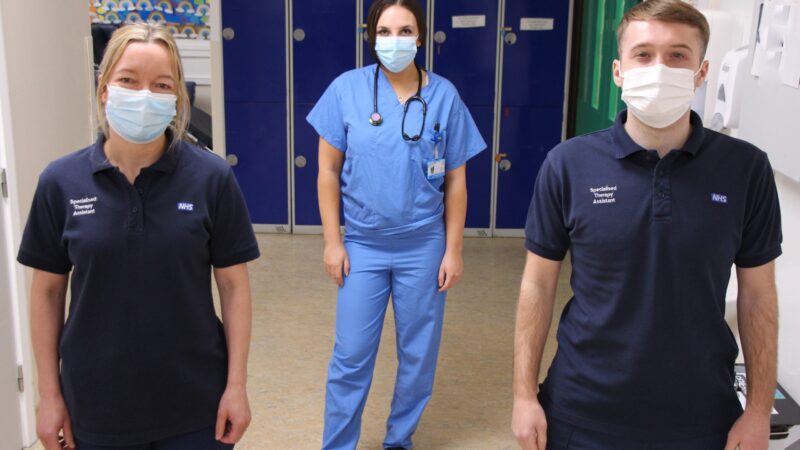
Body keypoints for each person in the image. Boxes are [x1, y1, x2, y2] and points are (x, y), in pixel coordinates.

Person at [512, 1, 782, 449]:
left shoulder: (746, 170)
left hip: (702, 417)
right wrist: (523, 395)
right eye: (644, 54)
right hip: (582, 411)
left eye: (678, 55)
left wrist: (756, 411)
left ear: (701, 72)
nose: (660, 67)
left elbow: (757, 297)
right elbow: (537, 286)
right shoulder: (568, 165)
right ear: (619, 71)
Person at [18, 23, 259, 450]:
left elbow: (233, 286)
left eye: (161, 84)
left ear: (177, 97)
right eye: (128, 80)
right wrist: (48, 395)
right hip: (94, 407)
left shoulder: (212, 178)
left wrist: (236, 386)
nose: (144, 95)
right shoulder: (60, 182)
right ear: (104, 87)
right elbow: (48, 294)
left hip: (194, 404)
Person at [307, 0, 486, 448]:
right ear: (371, 37)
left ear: (420, 38)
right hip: (363, 244)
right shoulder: (346, 89)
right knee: (350, 356)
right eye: (384, 32)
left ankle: (399, 441)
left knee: (418, 356)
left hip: (424, 244)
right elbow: (327, 171)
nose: (394, 41)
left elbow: (456, 181)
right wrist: (333, 243)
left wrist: (453, 249)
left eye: (405, 31)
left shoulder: (443, 94)